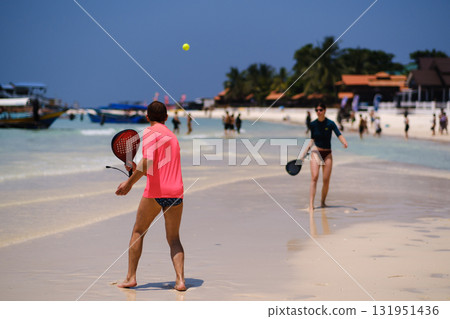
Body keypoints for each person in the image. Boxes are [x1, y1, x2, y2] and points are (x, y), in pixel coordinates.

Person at [115, 101, 186, 291]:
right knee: (173, 239)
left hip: (155, 193)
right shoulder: (172, 137)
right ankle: (180, 281)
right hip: (176, 192)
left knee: (138, 232)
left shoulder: (149, 132)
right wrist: (135, 169)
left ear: (147, 117)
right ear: (166, 118)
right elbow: (155, 166)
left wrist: (129, 183)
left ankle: (130, 278)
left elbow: (148, 162)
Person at [300, 103, 348, 213]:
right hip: (316, 152)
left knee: (326, 180)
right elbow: (312, 139)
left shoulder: (330, 123)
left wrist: (344, 142)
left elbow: (338, 134)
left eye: (320, 110)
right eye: (316, 110)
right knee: (314, 177)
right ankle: (311, 205)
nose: (318, 112)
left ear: (325, 111)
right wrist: (304, 153)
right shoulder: (313, 124)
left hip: (327, 154)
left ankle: (322, 202)